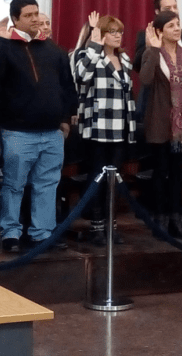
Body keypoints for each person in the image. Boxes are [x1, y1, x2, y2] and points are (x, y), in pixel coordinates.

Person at [0, 0, 77, 253]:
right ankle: (11, 233)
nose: (35, 19)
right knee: (13, 185)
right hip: (17, 132)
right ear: (15, 19)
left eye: (36, 13)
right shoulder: (6, 48)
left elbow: (67, 87)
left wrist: (65, 119)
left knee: (47, 185)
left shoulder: (54, 50)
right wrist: (2, 40)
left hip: (52, 133)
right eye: (28, 15)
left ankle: (42, 233)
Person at [75, 12, 135, 245]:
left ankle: (111, 226)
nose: (118, 36)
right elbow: (81, 77)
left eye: (120, 32)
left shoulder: (125, 59)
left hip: (120, 128)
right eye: (112, 32)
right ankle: (96, 227)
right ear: (101, 34)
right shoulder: (89, 55)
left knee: (114, 181)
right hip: (98, 128)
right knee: (97, 178)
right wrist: (94, 45)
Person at [140, 11, 182, 240]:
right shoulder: (152, 53)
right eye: (171, 26)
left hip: (181, 127)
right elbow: (145, 80)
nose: (177, 29)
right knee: (161, 171)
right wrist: (154, 50)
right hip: (159, 123)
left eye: (178, 24)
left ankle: (176, 220)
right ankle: (160, 220)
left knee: (177, 173)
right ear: (160, 31)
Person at [133, 0, 182, 120]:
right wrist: (149, 47)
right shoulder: (146, 35)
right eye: (167, 8)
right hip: (155, 107)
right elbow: (138, 67)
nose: (173, 11)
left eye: (175, 7)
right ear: (157, 11)